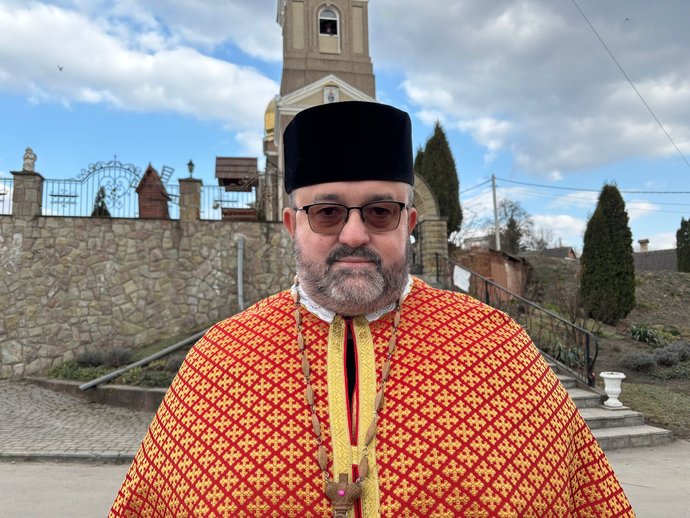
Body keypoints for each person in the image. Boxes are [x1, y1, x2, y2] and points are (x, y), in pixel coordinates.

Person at [110, 102, 634, 517]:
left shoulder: (498, 346)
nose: (355, 234)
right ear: (293, 226)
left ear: (409, 225)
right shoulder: (218, 359)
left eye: (380, 212)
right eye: (327, 212)